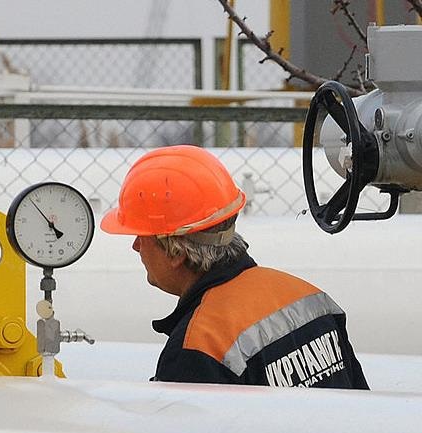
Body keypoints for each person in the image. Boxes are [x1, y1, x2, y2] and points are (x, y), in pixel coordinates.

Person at [99, 145, 368, 389]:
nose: (135, 246)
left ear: (176, 252)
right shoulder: (309, 297)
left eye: (141, 235)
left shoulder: (198, 347)